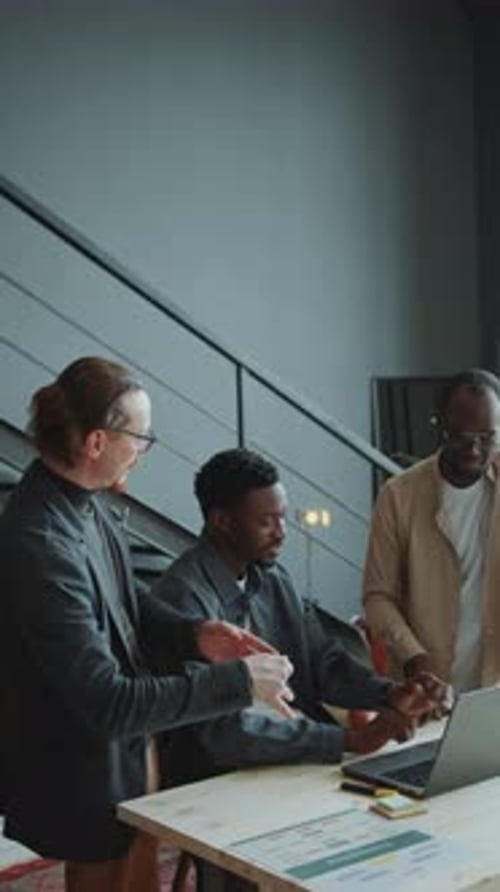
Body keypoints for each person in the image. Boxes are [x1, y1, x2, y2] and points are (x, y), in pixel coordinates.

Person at [0, 357, 294, 892]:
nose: (144, 448)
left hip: (118, 759)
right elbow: (107, 702)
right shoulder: (39, 539)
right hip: (80, 764)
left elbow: (124, 601)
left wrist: (195, 634)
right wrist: (241, 683)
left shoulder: (85, 502)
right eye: (140, 436)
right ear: (95, 442)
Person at [152, 448, 442, 789]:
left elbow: (323, 663)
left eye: (283, 518)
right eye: (266, 521)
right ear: (222, 522)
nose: (281, 532)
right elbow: (223, 733)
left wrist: (392, 693)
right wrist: (350, 740)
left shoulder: (273, 578)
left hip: (293, 768)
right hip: (219, 783)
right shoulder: (182, 597)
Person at [363, 367, 500, 695]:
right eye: (462, 437)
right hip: (425, 689)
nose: (475, 450)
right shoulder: (399, 495)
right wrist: (414, 657)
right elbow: (378, 596)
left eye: (487, 438)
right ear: (439, 425)